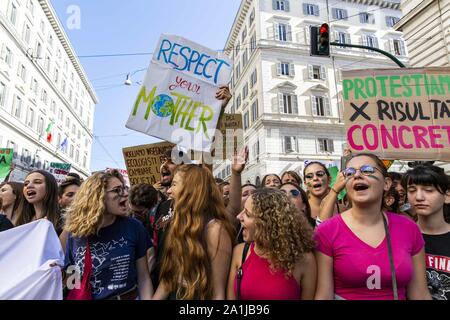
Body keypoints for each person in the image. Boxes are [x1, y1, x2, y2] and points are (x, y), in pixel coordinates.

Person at [314, 153, 431, 300]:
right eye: (349, 173)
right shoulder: (327, 231)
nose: (357, 175)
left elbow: (420, 293)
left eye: (367, 170)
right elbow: (323, 295)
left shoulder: (409, 228)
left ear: (386, 183)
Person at [64, 170, 153, 300]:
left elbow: (144, 278)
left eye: (125, 188)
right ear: (97, 196)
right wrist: (58, 275)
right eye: (117, 190)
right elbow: (73, 279)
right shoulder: (76, 233)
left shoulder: (134, 227)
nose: (126, 194)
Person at [153, 165, 235, 300]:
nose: (169, 191)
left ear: (191, 189)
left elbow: (218, 293)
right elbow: (168, 279)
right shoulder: (178, 224)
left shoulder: (215, 230)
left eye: (174, 184)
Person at [227, 188, 316, 300]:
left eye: (248, 214)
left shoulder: (304, 260)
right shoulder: (240, 252)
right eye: (243, 210)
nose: (239, 217)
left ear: (268, 223)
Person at [402, 165, 450, 300]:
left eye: (428, 190)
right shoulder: (400, 236)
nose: (419, 197)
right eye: (412, 190)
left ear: (447, 196)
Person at [15, 170, 62, 234]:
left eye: (37, 182)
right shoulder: (22, 219)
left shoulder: (63, 221)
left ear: (50, 188)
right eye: (26, 184)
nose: (29, 186)